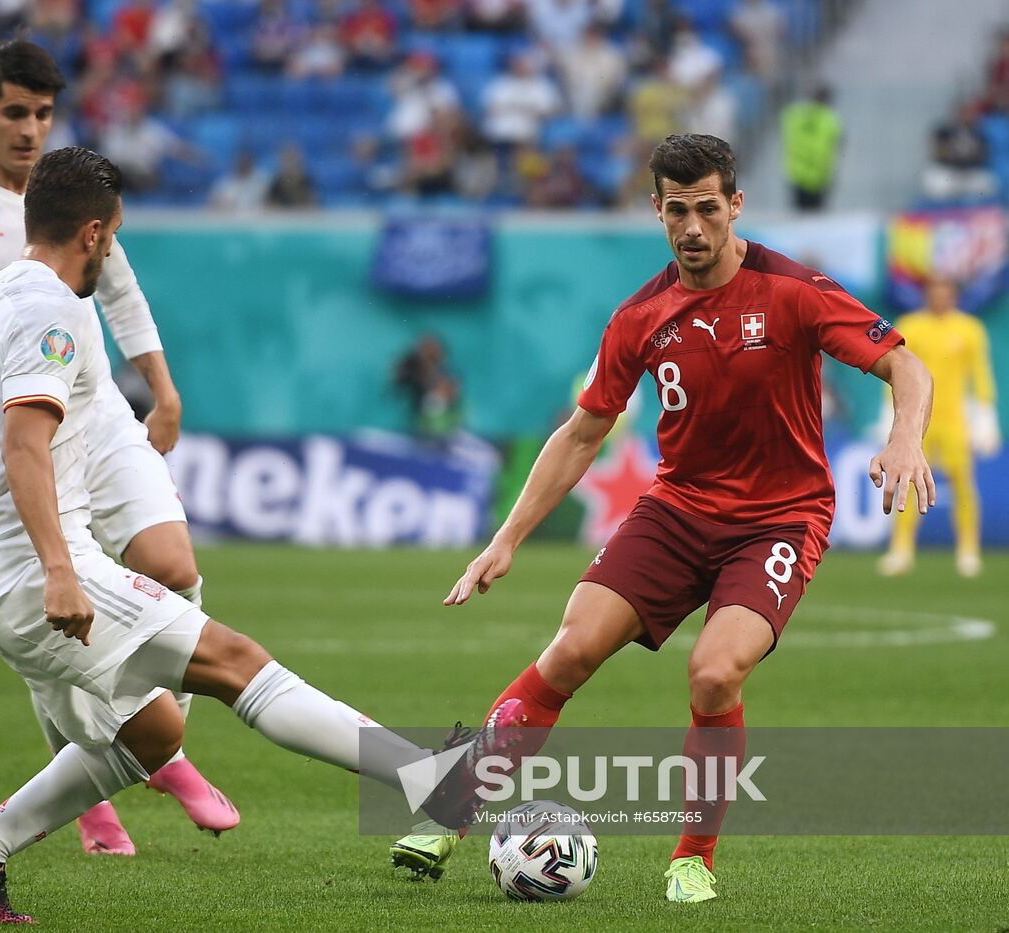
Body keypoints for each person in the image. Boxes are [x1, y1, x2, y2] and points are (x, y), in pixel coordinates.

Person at [0, 147, 435, 924]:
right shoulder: (55, 310)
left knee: (154, 730)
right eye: (114, 236)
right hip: (37, 567)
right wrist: (60, 571)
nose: (111, 250)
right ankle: (427, 777)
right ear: (95, 232)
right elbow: (24, 445)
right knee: (237, 663)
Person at [387, 134, 935, 902]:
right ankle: (452, 808)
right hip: (677, 510)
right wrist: (504, 539)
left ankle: (692, 858)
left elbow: (903, 363)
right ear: (658, 211)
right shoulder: (641, 316)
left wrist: (904, 435)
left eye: (708, 209)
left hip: (778, 518)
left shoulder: (796, 290)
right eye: (677, 211)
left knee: (714, 672)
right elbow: (582, 432)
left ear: (734, 204)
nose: (693, 228)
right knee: (570, 650)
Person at [0, 39, 237, 856]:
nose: (31, 128)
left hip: (95, 406)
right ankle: (105, 779)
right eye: (15, 112)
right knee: (44, 586)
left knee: (174, 566)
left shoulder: (69, 192)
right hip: (11, 409)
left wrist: (163, 385)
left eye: (42, 112)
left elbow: (121, 286)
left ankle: (146, 745)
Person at [880, 274, 999, 578]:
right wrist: (888, 414)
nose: (939, 297)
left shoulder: (969, 329)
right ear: (926, 295)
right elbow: (896, 368)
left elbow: (980, 373)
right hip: (918, 420)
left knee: (963, 484)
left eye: (945, 291)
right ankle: (902, 549)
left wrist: (986, 415)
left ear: (954, 295)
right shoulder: (912, 325)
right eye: (934, 291)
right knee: (907, 480)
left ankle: (968, 550)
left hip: (953, 419)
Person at [781, 85, 841, 210]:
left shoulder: (795, 115)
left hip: (798, 175)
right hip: (819, 178)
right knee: (815, 220)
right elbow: (835, 145)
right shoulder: (830, 120)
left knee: (799, 218)